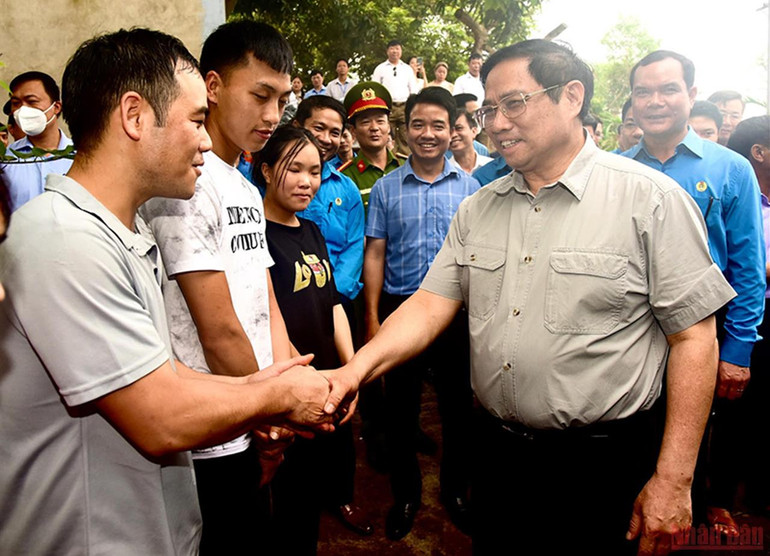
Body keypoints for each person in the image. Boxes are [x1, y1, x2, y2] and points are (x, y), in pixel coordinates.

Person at [320, 39, 736, 555]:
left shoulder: (650, 201)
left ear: (572, 97)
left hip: (605, 465)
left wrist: (674, 480)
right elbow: (429, 305)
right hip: (497, 457)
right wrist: (353, 372)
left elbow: (695, 337)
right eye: (490, 109)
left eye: (513, 104)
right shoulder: (478, 208)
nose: (495, 123)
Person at [0, 28, 334, 556]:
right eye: (196, 120)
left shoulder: (122, 233)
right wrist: (276, 397)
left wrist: (270, 386)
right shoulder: (63, 239)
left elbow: (169, 372)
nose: (206, 140)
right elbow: (159, 415)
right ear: (134, 117)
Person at [137, 20, 297, 554]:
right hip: (214, 431)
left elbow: (262, 298)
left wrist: (287, 377)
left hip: (254, 408)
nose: (273, 116)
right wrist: (272, 408)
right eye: (260, 95)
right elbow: (219, 328)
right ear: (213, 86)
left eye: (282, 99)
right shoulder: (187, 184)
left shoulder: (245, 187)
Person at [624, 50, 765, 538]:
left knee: (698, 434)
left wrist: (739, 350)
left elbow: (747, 267)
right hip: (632, 331)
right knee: (635, 436)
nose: (655, 101)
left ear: (691, 94)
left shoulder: (730, 170)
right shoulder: (614, 170)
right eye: (643, 91)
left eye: (668, 89)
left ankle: (697, 511)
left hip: (705, 330)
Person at [362, 86, 479, 540]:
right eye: (417, 124)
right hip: (400, 309)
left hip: (456, 313)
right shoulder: (387, 188)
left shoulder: (472, 189)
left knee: (456, 410)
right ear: (404, 129)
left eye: (438, 125)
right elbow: (376, 252)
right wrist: (372, 317)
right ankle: (405, 494)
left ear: (453, 131)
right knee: (402, 411)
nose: (427, 134)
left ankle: (454, 492)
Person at [257, 126, 371, 552]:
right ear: (266, 170)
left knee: (332, 468)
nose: (307, 181)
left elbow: (334, 305)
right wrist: (310, 382)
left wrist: (350, 370)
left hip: (330, 383)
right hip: (295, 389)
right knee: (292, 500)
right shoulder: (256, 238)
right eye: (294, 170)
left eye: (315, 171)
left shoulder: (313, 230)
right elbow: (270, 319)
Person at [726, 116, 770, 515]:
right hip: (743, 317)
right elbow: (743, 266)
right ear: (760, 153)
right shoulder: (739, 194)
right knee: (739, 414)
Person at [293, 95, 365, 307]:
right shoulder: (272, 180)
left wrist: (333, 295)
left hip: (335, 302)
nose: (325, 139)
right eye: (318, 128)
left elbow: (354, 247)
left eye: (335, 133)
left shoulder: (347, 189)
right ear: (298, 126)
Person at [1, 71, 73, 212]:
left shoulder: (81, 156)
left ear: (56, 107)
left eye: (32, 101)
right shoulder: (6, 162)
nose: (23, 109)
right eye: (16, 103)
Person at [339, 81, 404, 210]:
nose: (374, 128)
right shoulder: (345, 177)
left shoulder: (407, 165)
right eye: (365, 122)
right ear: (353, 131)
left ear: (388, 126)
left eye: (380, 121)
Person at [372, 40, 419, 155]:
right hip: (387, 107)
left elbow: (413, 89)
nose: (394, 51)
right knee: (387, 134)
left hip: (404, 106)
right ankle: (389, 159)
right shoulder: (380, 68)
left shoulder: (407, 69)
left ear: (401, 51)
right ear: (387, 51)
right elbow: (375, 88)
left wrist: (413, 106)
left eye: (397, 48)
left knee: (405, 134)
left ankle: (405, 159)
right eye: (392, 48)